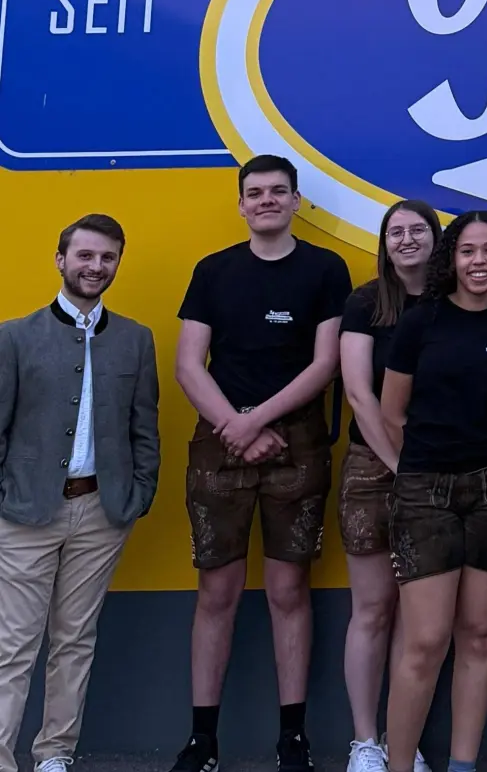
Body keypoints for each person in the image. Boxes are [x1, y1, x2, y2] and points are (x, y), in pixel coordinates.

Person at [171, 155, 353, 772]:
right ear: (241, 204)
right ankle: (202, 742)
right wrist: (236, 426)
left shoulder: (326, 270)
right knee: (216, 591)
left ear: (297, 201)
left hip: (296, 447)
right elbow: (190, 364)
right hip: (219, 445)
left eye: (279, 191)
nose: (267, 200)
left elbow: (325, 364)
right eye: (256, 192)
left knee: (287, 590)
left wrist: (257, 422)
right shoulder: (213, 271)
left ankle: (292, 740)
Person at [380, 210, 487, 772]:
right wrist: (434, 458)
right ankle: (399, 763)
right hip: (425, 489)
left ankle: (462, 763)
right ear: (449, 259)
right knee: (426, 640)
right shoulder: (421, 322)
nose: (479, 262)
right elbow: (391, 411)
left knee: (480, 634)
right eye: (467, 251)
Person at [0, 214, 160, 772]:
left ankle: (54, 754)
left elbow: (146, 426)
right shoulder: (14, 337)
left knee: (75, 640)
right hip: (25, 512)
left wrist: (138, 495)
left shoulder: (137, 340)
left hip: (101, 512)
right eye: (85, 255)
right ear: (61, 259)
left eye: (107, 257)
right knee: (12, 645)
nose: (96, 266)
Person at [339, 200, 442, 772]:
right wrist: (398, 463)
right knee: (373, 607)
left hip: (438, 466)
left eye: (417, 230)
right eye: (396, 232)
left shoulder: (455, 299)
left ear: (435, 238)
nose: (406, 240)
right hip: (373, 467)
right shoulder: (364, 301)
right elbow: (359, 393)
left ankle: (401, 738)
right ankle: (363, 741)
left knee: (417, 615)